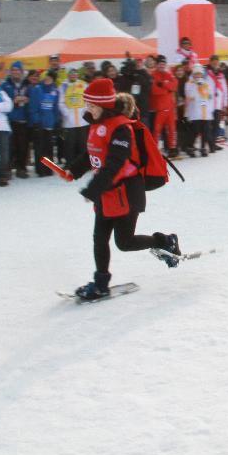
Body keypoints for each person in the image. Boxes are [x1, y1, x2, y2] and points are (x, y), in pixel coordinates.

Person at [62, 82, 181, 300]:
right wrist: (73, 170)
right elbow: (94, 154)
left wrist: (93, 189)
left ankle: (165, 241)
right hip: (106, 192)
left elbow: (115, 163)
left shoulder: (121, 128)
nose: (87, 108)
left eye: (90, 104)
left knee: (124, 243)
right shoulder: (97, 124)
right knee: (99, 239)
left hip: (126, 191)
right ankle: (101, 284)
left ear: (103, 105)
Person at [1, 62, 32, 178]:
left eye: (18, 70)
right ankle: (8, 168)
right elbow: (0, 99)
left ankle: (21, 168)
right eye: (13, 70)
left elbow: (32, 97)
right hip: (10, 119)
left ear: (21, 72)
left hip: (24, 119)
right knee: (9, 146)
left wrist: (27, 99)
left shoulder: (26, 84)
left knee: (23, 146)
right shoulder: (5, 85)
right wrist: (12, 100)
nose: (15, 72)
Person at [30, 69, 61, 176]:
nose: (48, 79)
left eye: (50, 78)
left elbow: (55, 107)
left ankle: (49, 168)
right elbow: (33, 107)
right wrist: (36, 121)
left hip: (50, 123)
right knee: (40, 147)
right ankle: (41, 169)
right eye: (47, 77)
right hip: (40, 123)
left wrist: (56, 120)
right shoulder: (37, 89)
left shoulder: (55, 90)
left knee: (49, 147)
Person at [149, 55, 178, 157]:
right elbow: (154, 91)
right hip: (160, 108)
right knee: (157, 130)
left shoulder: (168, 74)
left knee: (171, 129)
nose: (162, 65)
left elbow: (175, 85)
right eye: (160, 63)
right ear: (157, 64)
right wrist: (167, 89)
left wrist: (164, 85)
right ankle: (155, 149)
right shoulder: (153, 75)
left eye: (163, 64)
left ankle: (172, 148)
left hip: (170, 107)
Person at [59, 67, 88, 164]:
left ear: (77, 74)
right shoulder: (63, 86)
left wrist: (85, 111)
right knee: (70, 144)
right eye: (71, 73)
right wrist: (67, 113)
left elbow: (87, 99)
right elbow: (60, 102)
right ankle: (70, 164)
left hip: (82, 120)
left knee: (82, 144)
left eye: (75, 73)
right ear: (68, 74)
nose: (73, 75)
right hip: (69, 122)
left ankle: (83, 164)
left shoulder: (83, 84)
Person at [183, 65, 214, 157]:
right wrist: (196, 86)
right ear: (193, 74)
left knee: (205, 130)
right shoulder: (189, 83)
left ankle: (203, 147)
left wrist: (203, 87)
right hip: (195, 111)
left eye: (200, 74)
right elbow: (190, 96)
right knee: (195, 130)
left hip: (205, 111)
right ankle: (190, 147)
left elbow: (210, 96)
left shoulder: (205, 83)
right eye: (196, 74)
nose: (198, 76)